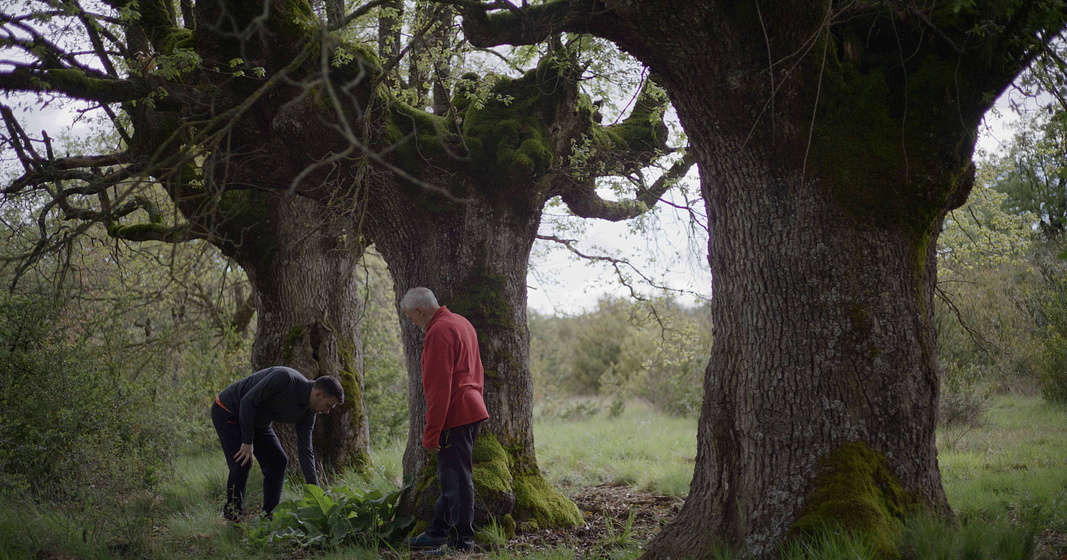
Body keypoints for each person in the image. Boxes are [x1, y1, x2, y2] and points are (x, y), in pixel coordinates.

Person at [401, 287, 490, 553]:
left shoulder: (438, 332)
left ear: (420, 311)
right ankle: (438, 531)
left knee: (457, 482)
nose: (414, 324)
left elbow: (439, 388)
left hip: (456, 413)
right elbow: (478, 370)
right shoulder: (461, 322)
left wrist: (431, 434)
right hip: (472, 407)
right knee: (448, 477)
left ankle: (462, 542)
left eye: (412, 318)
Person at [210, 366, 343, 521]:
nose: (327, 412)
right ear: (318, 394)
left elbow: (306, 451)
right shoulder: (284, 379)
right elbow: (248, 401)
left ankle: (268, 517)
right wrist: (247, 441)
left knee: (278, 461)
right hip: (228, 410)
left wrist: (318, 496)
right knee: (242, 462)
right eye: (328, 406)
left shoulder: (308, 414)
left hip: (257, 421)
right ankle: (233, 518)